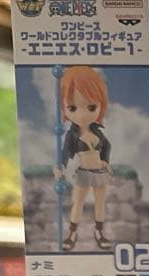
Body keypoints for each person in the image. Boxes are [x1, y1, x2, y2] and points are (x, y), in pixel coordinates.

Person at [54, 66, 113, 251]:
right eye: (72, 108)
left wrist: (105, 161)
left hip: (100, 171)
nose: (81, 114)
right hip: (83, 172)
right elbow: (65, 153)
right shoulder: (72, 135)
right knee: (78, 202)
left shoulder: (98, 133)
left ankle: (99, 232)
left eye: (91, 107)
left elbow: (107, 146)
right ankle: (72, 233)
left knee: (100, 203)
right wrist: (60, 168)